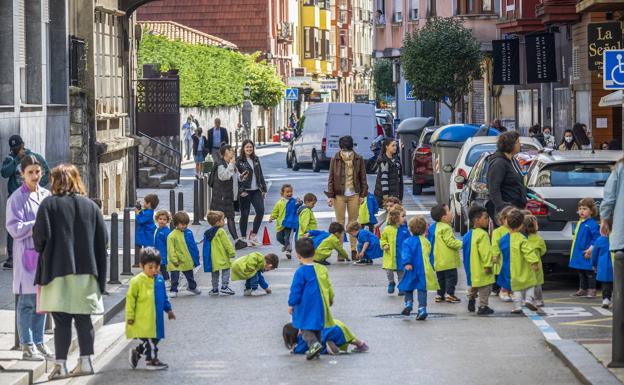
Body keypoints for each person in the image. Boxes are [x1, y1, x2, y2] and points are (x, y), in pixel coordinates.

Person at [32, 164, 107, 380]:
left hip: (57, 272)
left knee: (62, 321)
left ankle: (61, 366)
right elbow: (104, 239)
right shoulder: (91, 207)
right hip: (86, 272)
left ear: (56, 181)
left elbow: (39, 239)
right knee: (84, 319)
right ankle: (86, 362)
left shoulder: (48, 205)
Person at [6, 155, 52, 360]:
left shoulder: (46, 195)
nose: (35, 176)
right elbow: (13, 228)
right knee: (27, 302)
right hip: (26, 256)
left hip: (45, 255)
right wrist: (35, 224)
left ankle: (39, 340)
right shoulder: (15, 198)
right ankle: (27, 344)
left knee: (42, 302)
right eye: (30, 172)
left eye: (37, 171)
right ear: (22, 174)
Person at [2, 135, 50, 269]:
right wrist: (17, 158)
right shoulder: (10, 158)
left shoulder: (33, 157)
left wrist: (37, 185)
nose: (16, 150)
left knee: (33, 224)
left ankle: (35, 253)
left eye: (18, 147)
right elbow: (5, 173)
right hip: (15, 197)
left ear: (23, 145)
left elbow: (47, 172)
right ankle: (12, 257)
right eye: (13, 148)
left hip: (31, 196)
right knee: (14, 226)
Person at [126, 248, 175, 370]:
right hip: (143, 321)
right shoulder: (136, 281)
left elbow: (163, 297)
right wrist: (130, 317)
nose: (154, 270)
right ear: (142, 266)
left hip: (156, 320)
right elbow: (130, 300)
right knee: (151, 342)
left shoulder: (159, 280)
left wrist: (168, 310)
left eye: (156, 267)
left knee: (153, 340)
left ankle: (137, 352)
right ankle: (152, 360)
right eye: (150, 267)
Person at [288, 238, 335, 361]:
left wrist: (292, 304)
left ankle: (314, 346)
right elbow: (328, 284)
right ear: (314, 252)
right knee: (317, 327)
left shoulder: (301, 272)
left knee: (305, 328)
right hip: (320, 303)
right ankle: (316, 350)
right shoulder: (322, 269)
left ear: (298, 256)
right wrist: (330, 297)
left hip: (305, 305)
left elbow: (295, 290)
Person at [326, 135, 368, 260]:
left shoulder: (358, 159)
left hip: (354, 194)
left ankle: (354, 249)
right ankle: (340, 251)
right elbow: (331, 178)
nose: (346, 153)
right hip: (339, 194)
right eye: (344, 151)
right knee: (339, 223)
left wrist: (362, 195)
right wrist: (330, 196)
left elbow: (363, 178)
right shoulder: (335, 158)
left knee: (353, 223)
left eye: (348, 150)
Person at [496, 210, 540, 314]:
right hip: (523, 267)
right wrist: (534, 262)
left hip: (509, 268)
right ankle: (529, 300)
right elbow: (528, 251)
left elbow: (500, 250)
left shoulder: (503, 239)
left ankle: (517, 306)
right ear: (521, 225)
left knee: (516, 288)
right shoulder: (522, 238)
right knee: (530, 283)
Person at [398, 216, 439, 320]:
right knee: (422, 289)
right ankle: (422, 309)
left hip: (411, 268)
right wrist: (433, 266)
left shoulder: (407, 241)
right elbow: (430, 255)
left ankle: (408, 304)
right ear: (424, 229)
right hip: (423, 269)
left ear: (410, 229)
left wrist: (407, 263)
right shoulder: (426, 242)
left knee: (408, 287)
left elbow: (406, 253)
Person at [209, 144, 246, 250]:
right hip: (221, 196)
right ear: (225, 152)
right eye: (231, 151)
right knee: (221, 219)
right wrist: (231, 165)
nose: (233, 152)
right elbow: (223, 176)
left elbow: (234, 176)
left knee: (229, 217)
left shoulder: (230, 163)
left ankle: (236, 241)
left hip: (228, 195)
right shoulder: (221, 164)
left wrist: (241, 177)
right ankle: (213, 238)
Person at [462, 206, 495, 315]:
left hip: (471, 267)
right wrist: (488, 265)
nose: (487, 220)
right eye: (485, 218)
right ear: (477, 220)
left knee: (474, 284)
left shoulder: (467, 235)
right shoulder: (483, 235)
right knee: (486, 287)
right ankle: (482, 306)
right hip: (481, 267)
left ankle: (471, 299)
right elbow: (485, 252)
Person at [486, 131, 526, 218]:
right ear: (510, 144)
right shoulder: (499, 163)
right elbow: (493, 189)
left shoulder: (513, 160)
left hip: (516, 209)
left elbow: (517, 182)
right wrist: (502, 208)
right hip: (507, 213)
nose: (520, 144)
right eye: (518, 142)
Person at [428, 203, 463, 303]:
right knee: (451, 278)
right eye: (449, 211)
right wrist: (462, 243)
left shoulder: (433, 227)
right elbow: (450, 242)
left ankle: (440, 294)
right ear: (444, 217)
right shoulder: (446, 228)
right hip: (447, 259)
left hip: (438, 259)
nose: (451, 212)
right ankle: (450, 294)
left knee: (440, 279)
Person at [236, 140, 267, 246]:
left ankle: (253, 235)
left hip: (256, 190)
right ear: (243, 148)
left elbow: (260, 175)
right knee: (244, 214)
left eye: (251, 147)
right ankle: (244, 237)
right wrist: (241, 191)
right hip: (245, 191)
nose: (249, 149)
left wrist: (264, 189)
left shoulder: (256, 159)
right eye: (247, 147)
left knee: (261, 211)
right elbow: (236, 178)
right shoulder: (239, 161)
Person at [569, 198, 600, 298]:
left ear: (591, 211)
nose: (581, 211)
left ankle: (592, 290)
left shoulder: (592, 224)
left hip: (588, 253)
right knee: (581, 272)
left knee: (589, 272)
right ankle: (583, 289)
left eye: (585, 209)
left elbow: (596, 238)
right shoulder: (580, 222)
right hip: (580, 252)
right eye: (580, 208)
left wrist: (591, 250)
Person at [283, 319, 368, 355]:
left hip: (329, 333)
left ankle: (330, 348)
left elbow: (301, 349)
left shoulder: (303, 334)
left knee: (316, 347)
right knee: (348, 337)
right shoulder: (306, 324)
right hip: (337, 324)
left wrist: (294, 350)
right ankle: (361, 344)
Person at [167, 211, 201, 297]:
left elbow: (192, 244)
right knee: (175, 277)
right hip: (176, 261)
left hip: (187, 259)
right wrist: (174, 260)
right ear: (176, 224)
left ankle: (192, 287)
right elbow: (171, 250)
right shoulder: (172, 236)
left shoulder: (189, 232)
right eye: (182, 224)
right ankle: (173, 290)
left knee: (190, 276)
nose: (184, 226)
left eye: (186, 224)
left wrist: (196, 254)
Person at [202, 210, 236, 296]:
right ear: (218, 222)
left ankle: (215, 289)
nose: (224, 222)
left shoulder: (207, 233)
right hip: (222, 256)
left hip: (213, 258)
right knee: (226, 270)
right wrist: (231, 253)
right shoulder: (221, 231)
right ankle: (224, 287)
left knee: (214, 273)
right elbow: (227, 244)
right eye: (222, 220)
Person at [269, 184, 301, 258]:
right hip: (281, 224)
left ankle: (288, 251)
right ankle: (286, 245)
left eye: (291, 192)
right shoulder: (279, 202)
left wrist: (299, 202)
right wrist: (272, 217)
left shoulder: (294, 201)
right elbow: (275, 211)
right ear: (282, 193)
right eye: (287, 192)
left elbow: (298, 204)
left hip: (290, 223)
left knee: (287, 237)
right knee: (279, 238)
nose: (289, 193)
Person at [380, 208, 406, 295]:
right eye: (403, 216)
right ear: (396, 219)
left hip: (401, 256)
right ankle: (391, 282)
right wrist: (384, 245)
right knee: (389, 271)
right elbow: (382, 239)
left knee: (401, 273)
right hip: (389, 255)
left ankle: (401, 287)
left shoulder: (404, 229)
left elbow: (409, 240)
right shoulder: (387, 229)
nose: (405, 218)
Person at [491, 206, 514, 302]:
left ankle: (510, 291)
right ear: (503, 219)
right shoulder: (498, 231)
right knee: (502, 272)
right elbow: (495, 244)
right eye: (508, 219)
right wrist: (495, 255)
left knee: (512, 273)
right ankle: (501, 289)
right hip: (501, 257)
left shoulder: (515, 230)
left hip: (512, 256)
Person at [374, 138, 403, 207]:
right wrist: (386, 198)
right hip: (388, 197)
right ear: (386, 147)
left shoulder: (395, 160)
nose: (395, 147)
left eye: (396, 145)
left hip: (395, 195)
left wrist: (399, 196)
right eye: (393, 146)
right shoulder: (384, 161)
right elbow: (384, 181)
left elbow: (399, 179)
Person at [525, 214, 546, 307]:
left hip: (525, 264)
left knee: (526, 283)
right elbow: (543, 250)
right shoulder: (539, 238)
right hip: (536, 264)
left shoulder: (523, 238)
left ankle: (527, 299)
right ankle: (539, 300)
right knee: (537, 284)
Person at [592, 228, 613, 309]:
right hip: (618, 265)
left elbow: (594, 254)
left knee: (606, 284)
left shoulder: (600, 240)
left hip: (604, 267)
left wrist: (594, 264)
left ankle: (606, 299)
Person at [153, 210, 172, 281]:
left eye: (164, 219)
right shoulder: (157, 229)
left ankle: (167, 280)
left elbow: (169, 243)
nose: (162, 221)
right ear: (157, 219)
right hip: (157, 252)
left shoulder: (166, 231)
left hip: (164, 253)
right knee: (158, 267)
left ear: (167, 221)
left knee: (163, 268)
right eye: (160, 219)